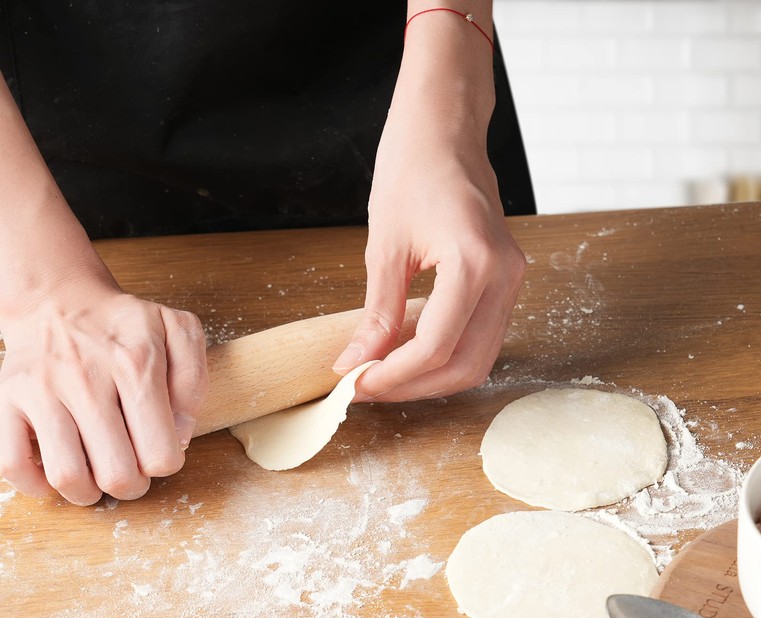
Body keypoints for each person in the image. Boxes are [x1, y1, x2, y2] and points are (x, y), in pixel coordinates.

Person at [0, 1, 535, 506]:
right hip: (51, 148)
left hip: (398, 82)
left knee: (462, 304)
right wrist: (43, 290)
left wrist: (449, 107)